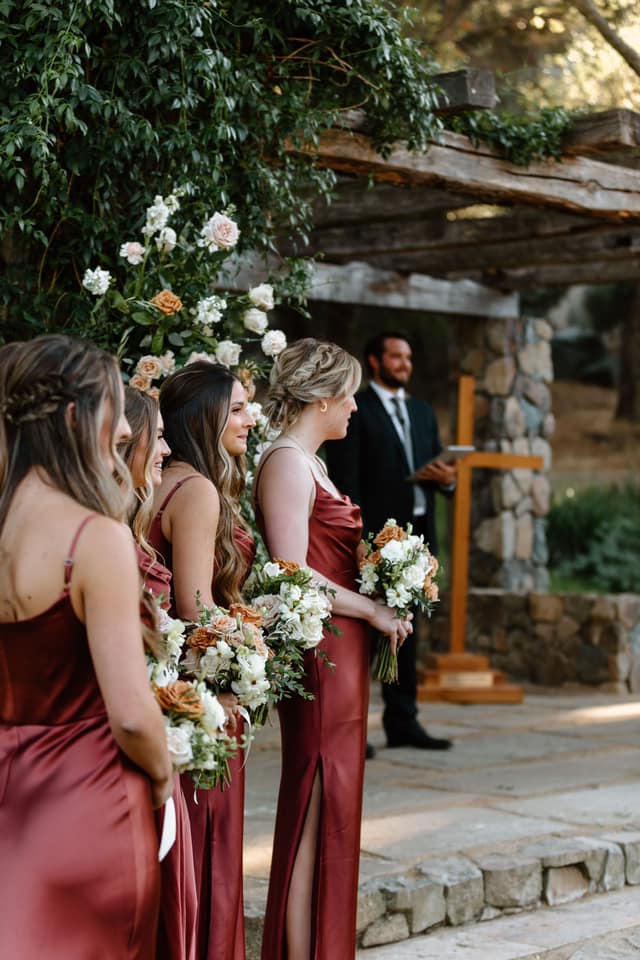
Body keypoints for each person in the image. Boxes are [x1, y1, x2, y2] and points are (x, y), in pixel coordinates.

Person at [0, 334, 172, 958]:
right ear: (76, 416)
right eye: (115, 409)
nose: (126, 428)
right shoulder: (93, 539)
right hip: (89, 800)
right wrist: (162, 772)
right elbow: (128, 712)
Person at [254, 338, 412, 960]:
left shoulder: (312, 464)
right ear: (320, 397)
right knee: (316, 797)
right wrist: (370, 605)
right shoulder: (288, 462)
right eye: (347, 394)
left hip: (342, 654)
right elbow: (289, 568)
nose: (354, 405)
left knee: (338, 799)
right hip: (320, 652)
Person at [149, 360, 256, 960]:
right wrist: (246, 660)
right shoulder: (196, 489)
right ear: (204, 418)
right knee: (207, 840)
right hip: (200, 688)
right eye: (236, 408)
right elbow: (194, 605)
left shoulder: (168, 477)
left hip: (171, 677)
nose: (249, 418)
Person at [326, 331, 454, 752]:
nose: (405, 364)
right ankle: (351, 727)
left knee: (408, 631)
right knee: (363, 634)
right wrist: (361, 540)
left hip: (419, 536)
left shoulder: (422, 411)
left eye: (408, 357)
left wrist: (448, 482)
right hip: (375, 540)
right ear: (375, 361)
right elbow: (347, 480)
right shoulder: (357, 412)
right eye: (396, 357)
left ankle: (403, 722)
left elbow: (435, 466)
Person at [119, 385, 197, 960]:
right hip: (136, 742)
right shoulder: (105, 536)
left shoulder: (126, 523)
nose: (167, 449)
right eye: (158, 436)